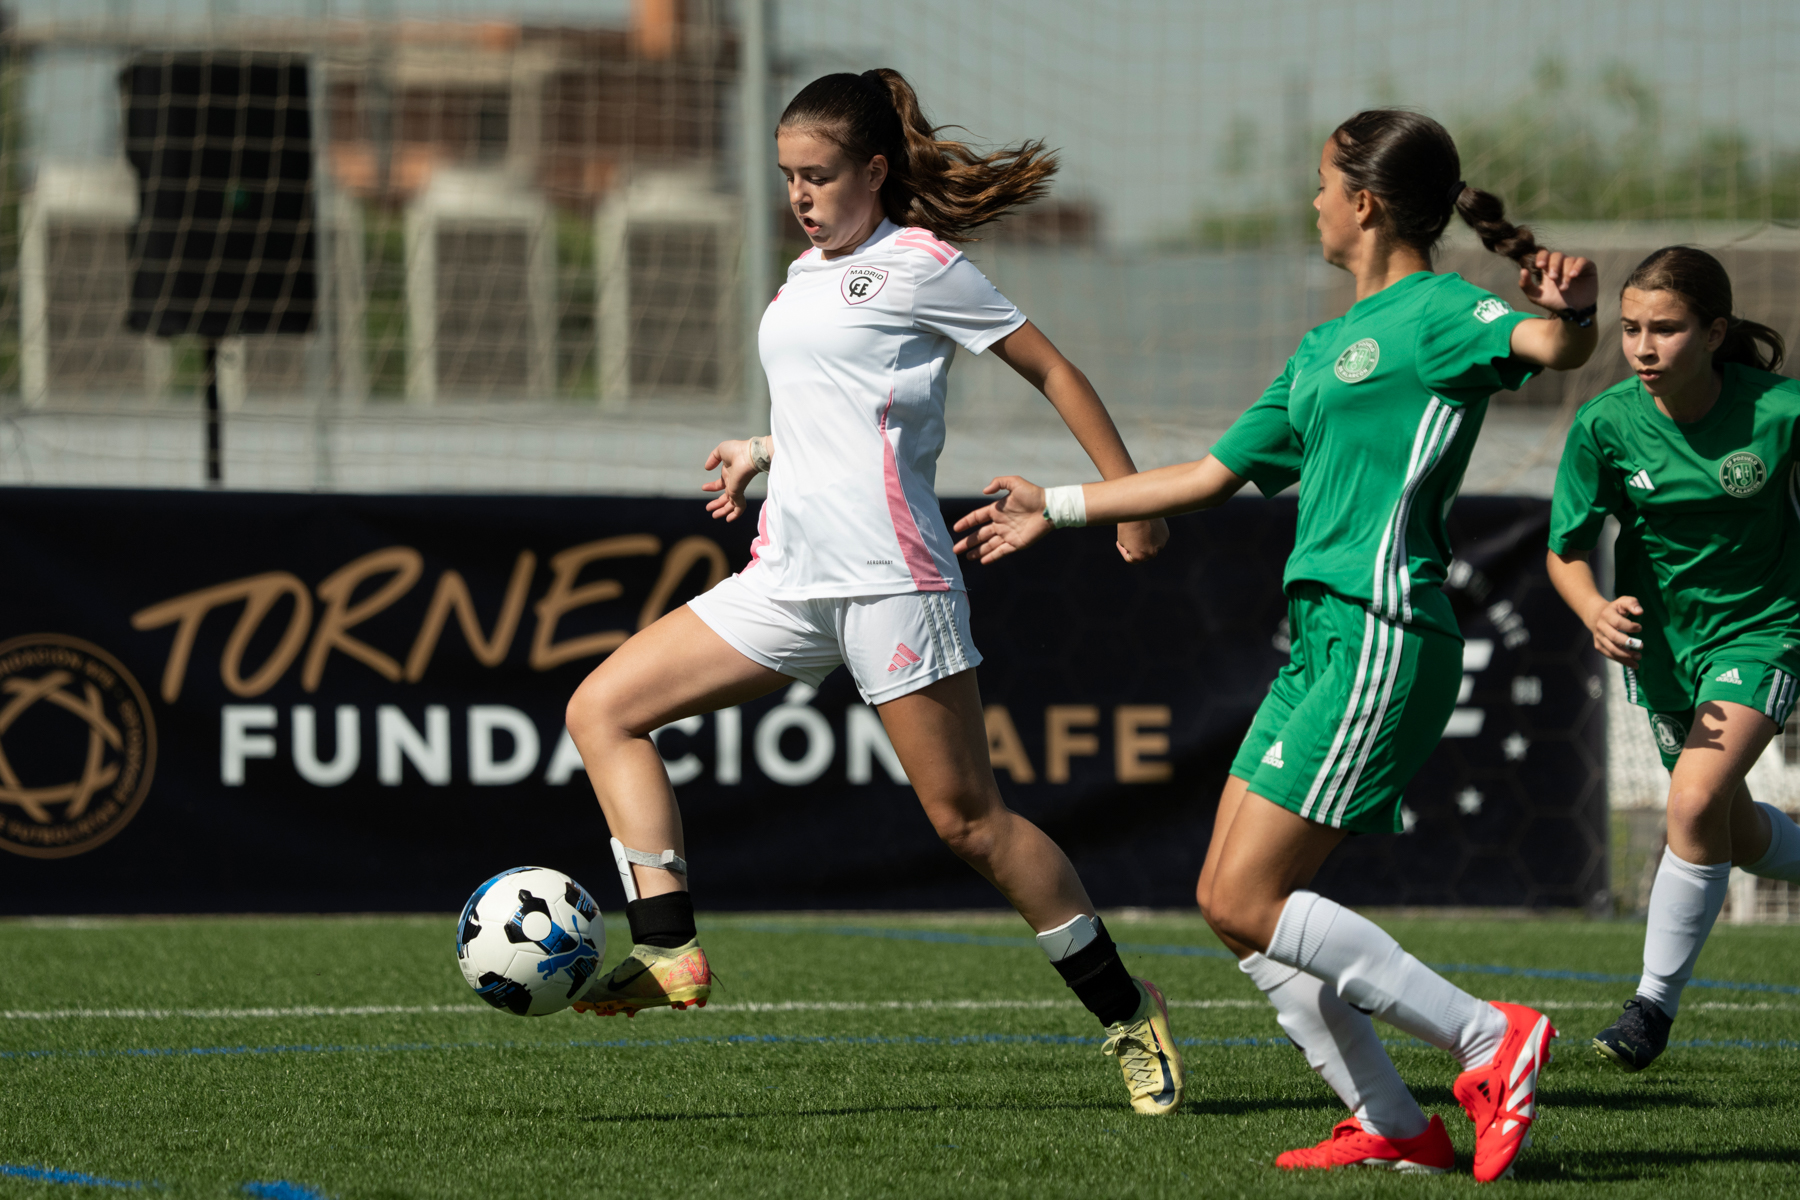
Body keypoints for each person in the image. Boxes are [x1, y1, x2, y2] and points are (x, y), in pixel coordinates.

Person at [953, 109, 1599, 1179]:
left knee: (1242, 898)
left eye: (1322, 184)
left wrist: (1573, 315)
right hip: (1321, 645)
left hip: (1385, 634)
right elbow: (1210, 477)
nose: (1312, 202)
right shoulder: (1319, 351)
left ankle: (1491, 1039)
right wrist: (1056, 506)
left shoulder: (1442, 311)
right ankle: (1391, 1122)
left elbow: (1549, 345)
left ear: (1365, 204)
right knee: (1234, 906)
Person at [562, 68, 1185, 1116]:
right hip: (787, 577)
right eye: (787, 176)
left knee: (969, 826)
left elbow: (1056, 372)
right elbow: (838, 399)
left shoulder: (923, 264)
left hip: (892, 581)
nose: (799, 195)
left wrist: (1128, 499)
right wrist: (763, 450)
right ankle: (668, 948)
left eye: (818, 175)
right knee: (602, 709)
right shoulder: (805, 273)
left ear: (876, 171)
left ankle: (1130, 1011)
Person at [1545, 246, 1800, 1072]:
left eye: (1666, 328)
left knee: (1689, 803)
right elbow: (1565, 549)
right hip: (1662, 653)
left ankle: (1650, 1007)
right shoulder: (1606, 425)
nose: (1643, 347)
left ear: (1715, 332)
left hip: (1763, 631)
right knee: (1730, 827)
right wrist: (1594, 608)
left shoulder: (1781, 413)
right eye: (1630, 329)